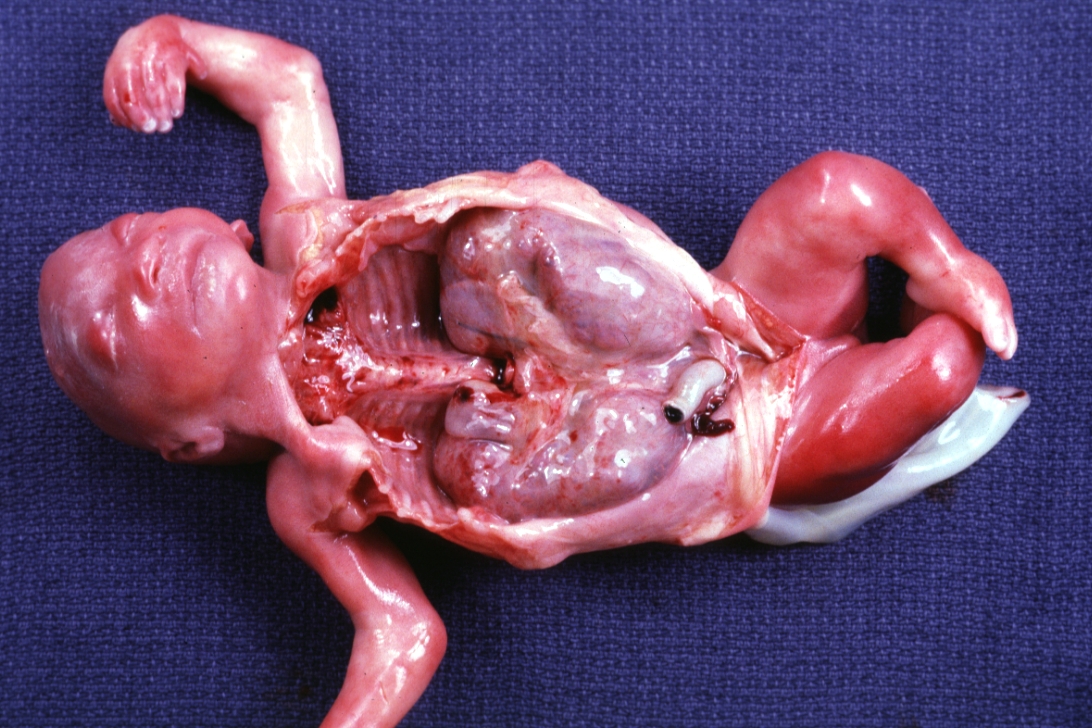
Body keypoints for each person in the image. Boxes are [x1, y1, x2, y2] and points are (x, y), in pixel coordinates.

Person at [37, 16, 1022, 728]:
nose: (138, 270)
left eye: (125, 234)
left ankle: (946, 268)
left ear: (227, 227)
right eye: (116, 330)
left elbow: (288, 82)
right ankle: (873, 413)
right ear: (189, 440)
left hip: (724, 307)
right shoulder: (307, 495)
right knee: (939, 363)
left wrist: (176, 39)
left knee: (839, 189)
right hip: (747, 431)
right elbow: (402, 634)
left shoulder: (305, 228)